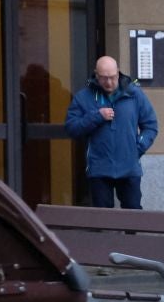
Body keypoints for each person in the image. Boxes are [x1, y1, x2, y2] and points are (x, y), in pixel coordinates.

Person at [64, 56, 158, 209]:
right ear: (96, 75)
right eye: (104, 78)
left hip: (129, 167)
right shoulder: (84, 97)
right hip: (99, 169)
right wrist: (96, 117)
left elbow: (151, 125)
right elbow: (72, 128)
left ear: (118, 73)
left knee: (133, 216)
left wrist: (137, 148)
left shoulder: (134, 94)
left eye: (112, 77)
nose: (109, 82)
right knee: (103, 219)